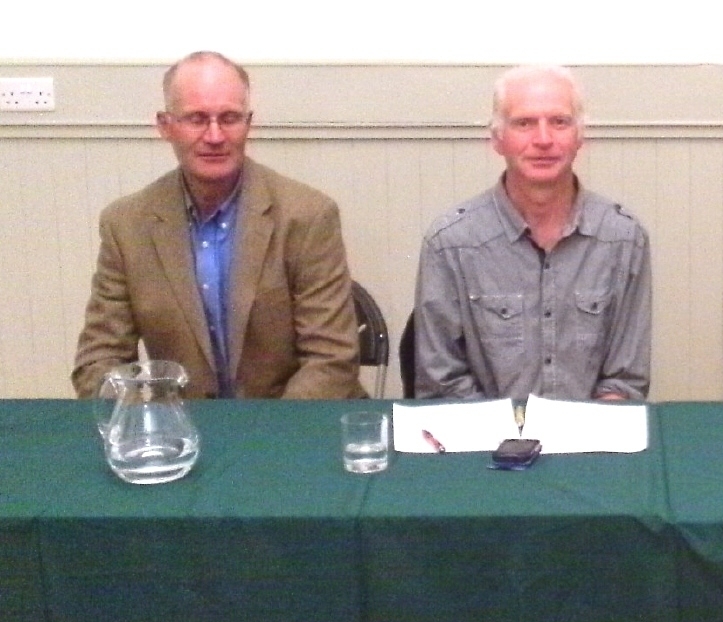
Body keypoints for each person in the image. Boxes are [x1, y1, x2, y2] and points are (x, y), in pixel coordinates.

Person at [72, 51, 365, 399]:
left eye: (229, 118)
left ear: (248, 124)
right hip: (182, 431)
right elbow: (98, 359)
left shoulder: (308, 215)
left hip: (292, 426)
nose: (214, 135)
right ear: (165, 126)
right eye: (197, 119)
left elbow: (331, 359)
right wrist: (145, 425)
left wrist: (263, 443)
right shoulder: (126, 225)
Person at [414, 65, 651, 400]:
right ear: (497, 139)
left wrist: (583, 438)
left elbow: (625, 382)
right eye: (524, 123)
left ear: (580, 136)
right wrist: (512, 440)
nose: (543, 139)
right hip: (486, 445)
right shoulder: (450, 244)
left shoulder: (623, 239)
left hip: (589, 443)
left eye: (559, 122)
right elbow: (443, 385)